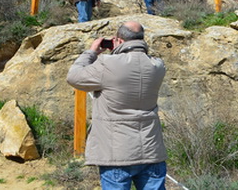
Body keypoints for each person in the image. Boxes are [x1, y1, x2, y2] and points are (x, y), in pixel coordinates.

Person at [67, 21, 167, 190]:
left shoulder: (107, 64)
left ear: (118, 41)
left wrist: (91, 52)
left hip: (116, 154)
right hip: (151, 151)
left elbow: (74, 76)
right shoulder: (157, 66)